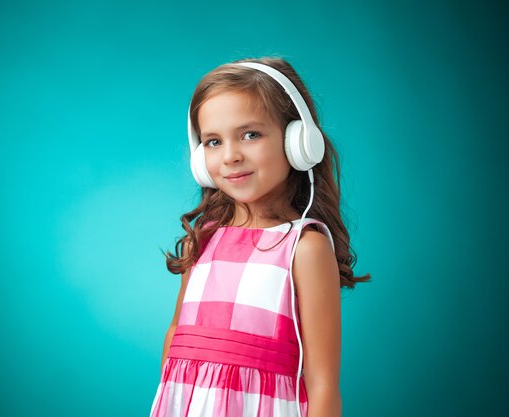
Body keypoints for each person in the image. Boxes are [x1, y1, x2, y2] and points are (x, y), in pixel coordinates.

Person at [149, 57, 370, 417]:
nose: (231, 156)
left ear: (298, 141)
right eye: (213, 142)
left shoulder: (304, 247)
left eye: (250, 134)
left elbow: (323, 383)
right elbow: (177, 337)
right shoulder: (201, 241)